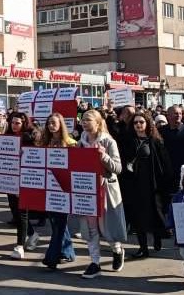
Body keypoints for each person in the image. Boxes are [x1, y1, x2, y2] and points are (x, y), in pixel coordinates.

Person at [77, 109, 127, 279]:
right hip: (87, 190)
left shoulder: (108, 141)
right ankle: (94, 262)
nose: (84, 122)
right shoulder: (81, 142)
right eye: (83, 119)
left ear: (98, 123)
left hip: (105, 190)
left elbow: (118, 169)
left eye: (88, 120)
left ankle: (117, 250)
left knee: (107, 228)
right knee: (91, 229)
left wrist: (103, 156)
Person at [120, 111, 174, 258]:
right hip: (134, 185)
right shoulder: (129, 141)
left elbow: (165, 164)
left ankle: (157, 238)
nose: (138, 125)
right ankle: (143, 247)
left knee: (155, 214)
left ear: (147, 124)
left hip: (153, 185)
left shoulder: (155, 141)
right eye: (135, 122)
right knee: (137, 218)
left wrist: (168, 183)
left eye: (141, 122)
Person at [37, 112, 77, 271]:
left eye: (53, 123)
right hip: (48, 188)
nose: (50, 126)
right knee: (56, 222)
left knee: (59, 223)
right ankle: (68, 253)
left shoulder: (71, 143)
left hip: (64, 189)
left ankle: (51, 257)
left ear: (61, 124)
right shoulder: (44, 143)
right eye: (48, 123)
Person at [4, 111, 37, 259]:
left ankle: (19, 246)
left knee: (22, 212)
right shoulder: (6, 137)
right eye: (12, 123)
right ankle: (32, 234)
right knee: (15, 211)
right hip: (9, 179)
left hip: (24, 179)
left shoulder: (29, 139)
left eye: (17, 123)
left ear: (24, 124)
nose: (14, 125)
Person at [161, 105, 184, 183]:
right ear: (168, 115)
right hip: (166, 172)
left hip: (183, 172)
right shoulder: (162, 131)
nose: (178, 116)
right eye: (175, 113)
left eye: (180, 113)